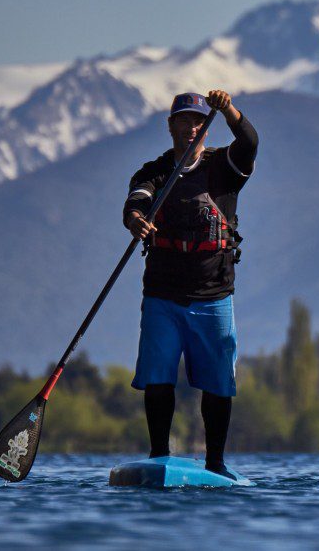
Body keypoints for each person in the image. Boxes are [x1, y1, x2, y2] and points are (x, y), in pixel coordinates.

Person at [123, 90, 258, 475]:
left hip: (214, 295)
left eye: (198, 122)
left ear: (206, 127)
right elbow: (136, 200)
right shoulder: (154, 172)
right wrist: (135, 218)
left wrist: (228, 109)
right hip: (162, 296)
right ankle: (159, 457)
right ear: (171, 127)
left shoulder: (226, 167)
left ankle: (216, 464)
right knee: (158, 378)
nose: (191, 129)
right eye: (183, 121)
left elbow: (249, 141)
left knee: (217, 383)